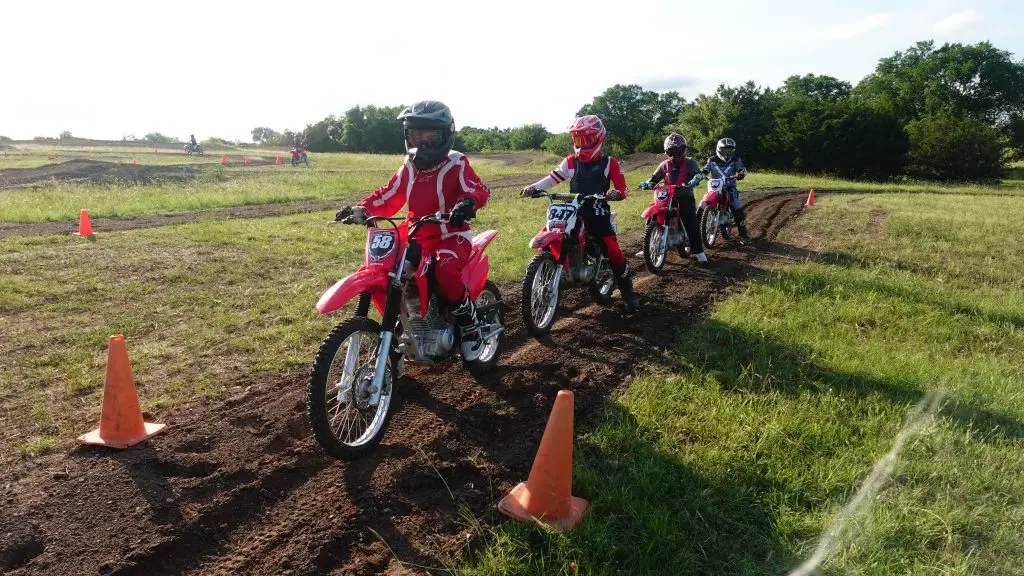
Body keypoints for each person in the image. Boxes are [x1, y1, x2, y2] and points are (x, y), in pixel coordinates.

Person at [334, 101, 491, 360]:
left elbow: (478, 188)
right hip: (416, 235)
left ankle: (470, 324)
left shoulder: (456, 163)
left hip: (450, 235)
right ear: (408, 135)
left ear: (446, 133)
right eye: (417, 134)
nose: (424, 141)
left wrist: (468, 202)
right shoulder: (409, 165)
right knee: (391, 270)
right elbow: (388, 195)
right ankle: (404, 325)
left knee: (445, 270)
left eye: (431, 134)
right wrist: (360, 209)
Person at [521, 115, 639, 314]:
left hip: (596, 209)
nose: (581, 144)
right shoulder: (570, 162)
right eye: (577, 140)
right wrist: (533, 187)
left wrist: (616, 194)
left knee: (611, 247)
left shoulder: (609, 163)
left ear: (598, 138)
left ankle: (628, 293)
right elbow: (552, 179)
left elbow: (624, 189)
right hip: (572, 208)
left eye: (585, 139)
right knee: (550, 234)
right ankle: (550, 275)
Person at [637, 133, 708, 264]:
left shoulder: (690, 162)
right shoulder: (664, 164)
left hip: (684, 195)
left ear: (683, 149)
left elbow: (698, 174)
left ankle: (699, 252)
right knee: (652, 217)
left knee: (690, 221)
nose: (674, 154)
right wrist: (647, 183)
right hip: (666, 196)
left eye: (677, 150)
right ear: (666, 152)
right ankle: (648, 246)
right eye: (671, 151)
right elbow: (655, 178)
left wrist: (694, 181)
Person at [701, 137, 749, 244]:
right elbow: (705, 169)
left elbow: (741, 168)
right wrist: (702, 174)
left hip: (729, 187)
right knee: (701, 206)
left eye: (730, 150)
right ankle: (694, 233)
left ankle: (743, 235)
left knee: (737, 207)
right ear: (719, 149)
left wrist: (741, 173)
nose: (727, 153)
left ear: (733, 150)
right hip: (714, 188)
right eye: (724, 150)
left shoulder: (736, 159)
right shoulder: (712, 159)